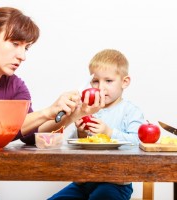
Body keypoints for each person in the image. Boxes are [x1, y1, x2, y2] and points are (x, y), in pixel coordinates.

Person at [0, 7, 105, 200]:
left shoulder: (16, 86)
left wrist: (73, 115)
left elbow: (34, 134)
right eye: (15, 44)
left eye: (25, 48)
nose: (22, 56)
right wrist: (48, 111)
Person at [48, 49, 145, 200]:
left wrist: (108, 132)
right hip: (84, 181)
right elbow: (71, 147)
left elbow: (138, 143)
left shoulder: (130, 111)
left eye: (108, 81)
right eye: (95, 81)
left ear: (124, 82)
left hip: (116, 183)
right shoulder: (87, 109)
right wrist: (81, 134)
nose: (100, 87)